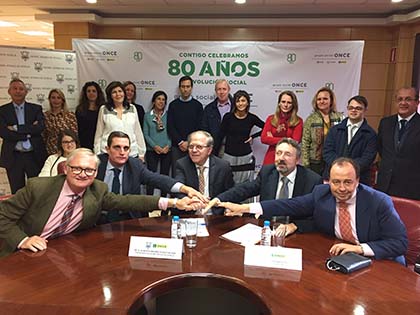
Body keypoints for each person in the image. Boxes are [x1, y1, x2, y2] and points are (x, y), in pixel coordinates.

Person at [0, 148, 202, 257]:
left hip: (63, 253)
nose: (82, 174)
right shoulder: (38, 187)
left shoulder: (98, 189)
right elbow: (2, 215)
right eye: (77, 168)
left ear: (96, 173)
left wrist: (175, 203)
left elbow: (128, 201)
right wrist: (23, 240)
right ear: (66, 169)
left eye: (89, 170)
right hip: (21, 253)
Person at [221, 158, 408, 264]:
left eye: (348, 182)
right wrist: (245, 207)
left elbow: (399, 244)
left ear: (358, 181)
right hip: (342, 258)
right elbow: (290, 204)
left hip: (379, 259)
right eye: (336, 182)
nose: (341, 188)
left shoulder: (378, 201)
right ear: (328, 181)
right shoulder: (322, 193)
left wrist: (360, 249)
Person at [96, 131, 205, 223]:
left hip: (127, 216)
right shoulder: (96, 164)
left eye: (126, 148)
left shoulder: (134, 165)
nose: (122, 152)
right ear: (107, 149)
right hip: (99, 216)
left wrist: (185, 189)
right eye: (117, 147)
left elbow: (157, 179)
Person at [209, 138, 322, 216]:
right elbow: (245, 189)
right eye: (278, 153)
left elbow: (314, 214)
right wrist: (219, 199)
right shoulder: (268, 172)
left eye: (287, 154)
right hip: (267, 228)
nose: (281, 158)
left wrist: (295, 225)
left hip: (295, 232)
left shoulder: (312, 180)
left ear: (298, 160)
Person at [0, 79, 47, 193]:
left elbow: (40, 128)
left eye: (21, 89)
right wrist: (28, 133)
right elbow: (4, 133)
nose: (18, 91)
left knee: (37, 190)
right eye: (15, 88)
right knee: (17, 192)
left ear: (26, 92)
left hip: (34, 156)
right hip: (14, 157)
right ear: (9, 91)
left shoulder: (36, 109)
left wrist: (16, 128)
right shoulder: (2, 110)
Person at [174, 131, 234, 215]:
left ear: (209, 150)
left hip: (215, 216)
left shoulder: (223, 166)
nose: (194, 150)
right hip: (189, 214)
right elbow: (178, 189)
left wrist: (227, 208)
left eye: (199, 147)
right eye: (191, 147)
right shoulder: (182, 164)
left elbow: (230, 192)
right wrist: (189, 201)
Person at [377, 87, 420, 200]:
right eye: (400, 99)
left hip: (413, 189)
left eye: (408, 99)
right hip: (385, 187)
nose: (403, 103)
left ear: (417, 102)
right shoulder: (385, 123)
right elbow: (382, 149)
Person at [323, 95, 377, 185]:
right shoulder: (334, 130)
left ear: (365, 110)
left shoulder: (371, 134)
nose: (353, 110)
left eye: (358, 108)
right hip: (333, 176)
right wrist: (339, 168)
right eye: (351, 108)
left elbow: (367, 158)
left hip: (358, 179)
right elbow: (327, 152)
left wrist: (348, 169)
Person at [218, 90, 264, 184]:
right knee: (227, 183)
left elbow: (266, 128)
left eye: (243, 101)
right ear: (235, 103)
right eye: (238, 101)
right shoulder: (228, 117)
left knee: (245, 185)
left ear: (247, 102)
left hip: (245, 156)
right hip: (229, 155)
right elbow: (220, 135)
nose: (240, 103)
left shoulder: (252, 118)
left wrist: (253, 136)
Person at [94, 81, 146, 160]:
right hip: (109, 154)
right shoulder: (104, 109)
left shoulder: (132, 108)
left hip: (131, 153)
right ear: (110, 95)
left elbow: (137, 131)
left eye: (120, 91)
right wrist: (97, 153)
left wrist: (141, 153)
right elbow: (99, 134)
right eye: (114, 92)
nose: (118, 94)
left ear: (124, 93)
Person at [301, 87, 342, 176]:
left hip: (334, 160)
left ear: (331, 101)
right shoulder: (311, 119)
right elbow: (305, 143)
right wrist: (305, 164)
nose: (322, 101)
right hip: (315, 162)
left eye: (325, 98)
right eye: (319, 99)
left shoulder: (339, 118)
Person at [167, 76, 203, 175]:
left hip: (194, 146)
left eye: (188, 86)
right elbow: (170, 126)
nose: (185, 89)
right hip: (177, 146)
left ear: (191, 88)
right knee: (177, 174)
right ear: (179, 88)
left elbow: (199, 127)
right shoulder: (173, 105)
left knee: (193, 173)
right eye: (183, 86)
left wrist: (190, 142)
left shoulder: (198, 106)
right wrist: (180, 142)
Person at [261, 91, 303, 165]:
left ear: (293, 105)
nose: (286, 105)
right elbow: (264, 139)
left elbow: (295, 142)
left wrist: (272, 139)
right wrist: (287, 139)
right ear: (279, 103)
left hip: (288, 158)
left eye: (289, 102)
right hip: (271, 156)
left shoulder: (298, 121)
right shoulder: (271, 119)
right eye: (283, 102)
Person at [143, 91, 171, 195]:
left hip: (167, 150)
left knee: (165, 177)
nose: (161, 101)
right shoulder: (147, 116)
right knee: (151, 176)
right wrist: (155, 146)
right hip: (152, 150)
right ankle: (149, 204)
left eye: (163, 100)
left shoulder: (168, 115)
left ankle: (164, 205)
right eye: (159, 99)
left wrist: (168, 145)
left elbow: (172, 132)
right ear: (154, 101)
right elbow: (145, 134)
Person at [201, 79, 233, 155]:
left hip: (234, 148)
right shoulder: (209, 109)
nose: (221, 92)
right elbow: (204, 130)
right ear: (215, 91)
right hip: (214, 149)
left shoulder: (236, 107)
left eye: (224, 89)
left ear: (229, 90)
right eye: (219, 89)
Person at [42, 89, 78, 155]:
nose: (56, 100)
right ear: (49, 99)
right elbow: (44, 135)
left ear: (62, 100)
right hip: (50, 150)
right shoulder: (45, 116)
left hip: (67, 150)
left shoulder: (70, 115)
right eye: (53, 98)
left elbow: (74, 135)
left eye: (59, 98)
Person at [75, 81, 105, 150]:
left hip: (100, 143)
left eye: (94, 91)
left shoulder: (103, 108)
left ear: (98, 93)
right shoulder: (80, 109)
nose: (91, 93)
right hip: (84, 143)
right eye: (88, 91)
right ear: (85, 94)